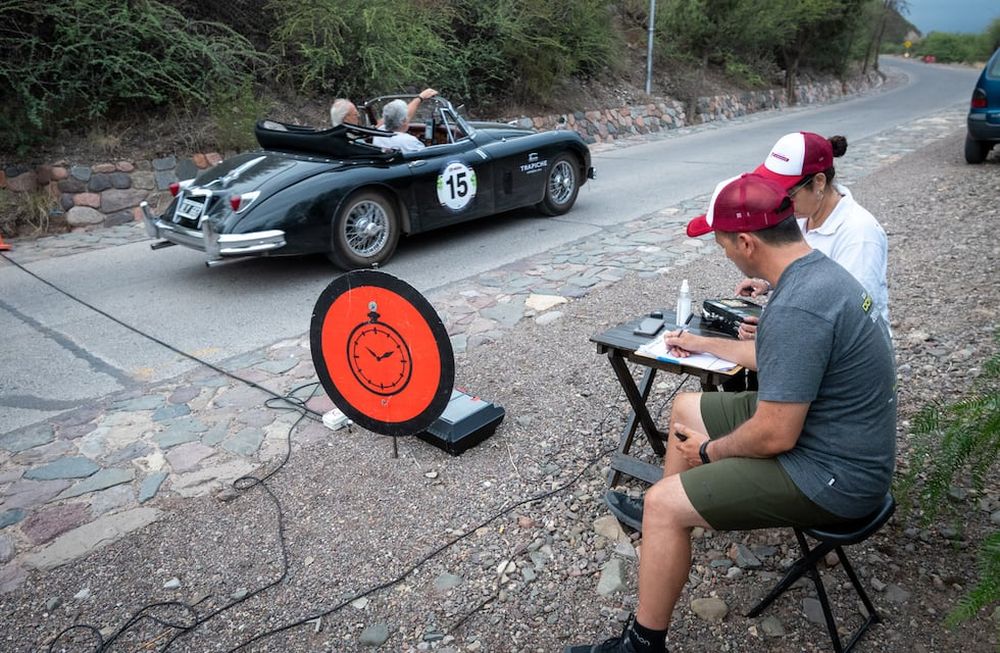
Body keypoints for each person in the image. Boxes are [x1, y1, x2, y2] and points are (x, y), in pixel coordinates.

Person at [573, 174, 896, 653]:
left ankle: (641, 642)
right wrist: (701, 343)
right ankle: (676, 525)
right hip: (833, 432)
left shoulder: (800, 305)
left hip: (836, 476)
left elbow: (775, 435)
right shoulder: (814, 273)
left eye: (722, 243)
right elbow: (782, 358)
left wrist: (710, 453)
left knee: (662, 503)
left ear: (746, 242)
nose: (723, 252)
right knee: (685, 407)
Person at [732, 131, 890, 340]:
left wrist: (772, 333)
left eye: (788, 194)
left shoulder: (859, 234)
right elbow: (804, 274)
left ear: (819, 182)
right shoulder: (802, 216)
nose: (780, 202)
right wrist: (770, 284)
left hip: (846, 350)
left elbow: (851, 312)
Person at [372, 88, 438, 153]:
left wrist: (420, 98)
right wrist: (420, 97)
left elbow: (389, 116)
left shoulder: (379, 133)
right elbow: (426, 157)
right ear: (403, 121)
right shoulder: (409, 141)